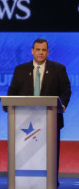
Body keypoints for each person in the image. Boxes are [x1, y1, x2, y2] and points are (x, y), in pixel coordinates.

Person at [7, 38, 71, 168]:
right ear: (32, 51)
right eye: (38, 50)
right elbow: (12, 91)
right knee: (25, 153)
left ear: (48, 52)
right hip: (24, 119)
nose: (40, 53)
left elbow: (65, 90)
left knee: (50, 154)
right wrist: (7, 103)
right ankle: (23, 182)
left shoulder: (58, 69)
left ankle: (52, 183)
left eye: (43, 50)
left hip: (51, 119)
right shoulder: (21, 69)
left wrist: (63, 105)